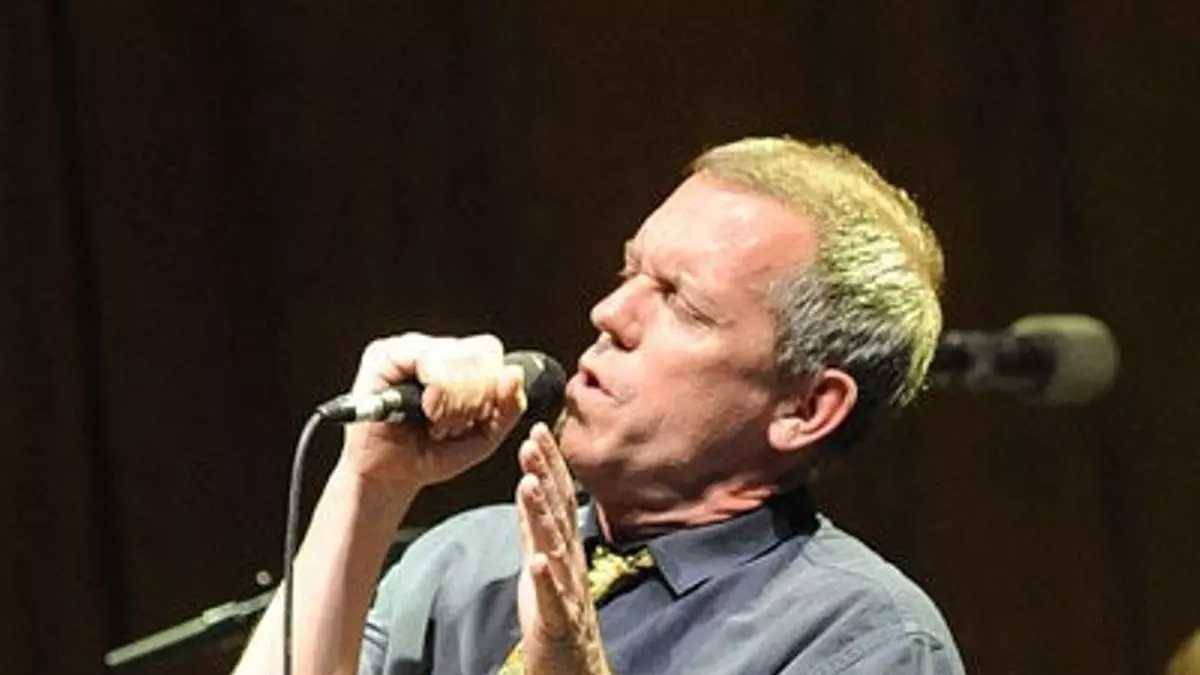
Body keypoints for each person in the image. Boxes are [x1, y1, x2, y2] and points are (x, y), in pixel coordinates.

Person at [233, 137, 965, 675]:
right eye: (629, 272)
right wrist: (370, 486)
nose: (610, 313)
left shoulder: (863, 639)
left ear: (805, 408)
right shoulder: (466, 564)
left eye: (681, 302)